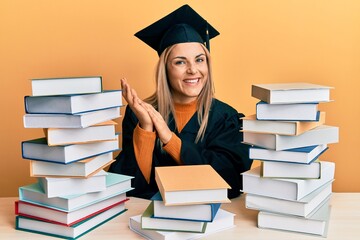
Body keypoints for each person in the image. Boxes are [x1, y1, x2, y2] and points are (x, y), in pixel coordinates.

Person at [109, 4, 252, 199]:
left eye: (200, 60)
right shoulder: (138, 115)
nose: (193, 70)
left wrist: (170, 139)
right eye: (180, 62)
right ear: (165, 69)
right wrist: (146, 129)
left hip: (211, 219)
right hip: (148, 219)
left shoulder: (226, 118)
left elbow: (231, 182)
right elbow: (126, 185)